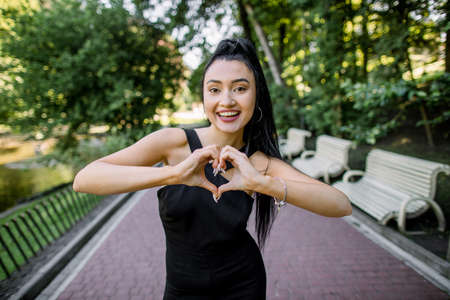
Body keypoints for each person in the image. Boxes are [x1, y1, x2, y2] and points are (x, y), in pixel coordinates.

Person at [73, 38, 352, 299]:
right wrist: (173, 174)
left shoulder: (258, 162)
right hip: (181, 288)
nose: (227, 100)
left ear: (257, 97)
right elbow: (85, 179)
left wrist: (262, 183)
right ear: (204, 97)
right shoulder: (173, 143)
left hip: (243, 285)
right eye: (214, 89)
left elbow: (340, 204)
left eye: (240, 88)